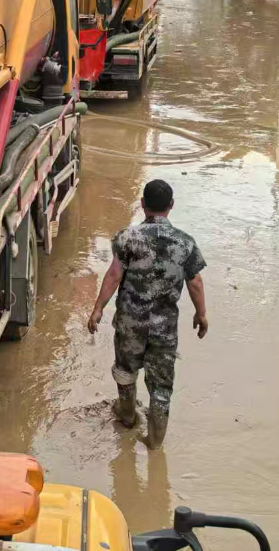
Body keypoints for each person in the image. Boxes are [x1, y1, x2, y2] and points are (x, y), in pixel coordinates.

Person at [87, 179, 208, 450]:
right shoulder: (185, 243)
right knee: (161, 387)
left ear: (143, 205)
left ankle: (128, 417)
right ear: (171, 206)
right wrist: (201, 315)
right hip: (164, 329)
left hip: (131, 324)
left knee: (126, 371)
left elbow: (114, 275)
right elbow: (195, 282)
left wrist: (98, 309)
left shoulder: (128, 237)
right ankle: (154, 443)